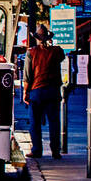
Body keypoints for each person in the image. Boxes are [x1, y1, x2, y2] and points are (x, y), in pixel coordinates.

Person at [23, 24, 65, 159]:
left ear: (37, 38)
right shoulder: (57, 51)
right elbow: (61, 58)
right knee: (54, 122)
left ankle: (37, 150)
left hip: (37, 91)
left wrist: (25, 92)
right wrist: (50, 45)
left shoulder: (31, 52)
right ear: (48, 38)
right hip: (53, 91)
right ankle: (55, 151)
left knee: (34, 122)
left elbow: (27, 76)